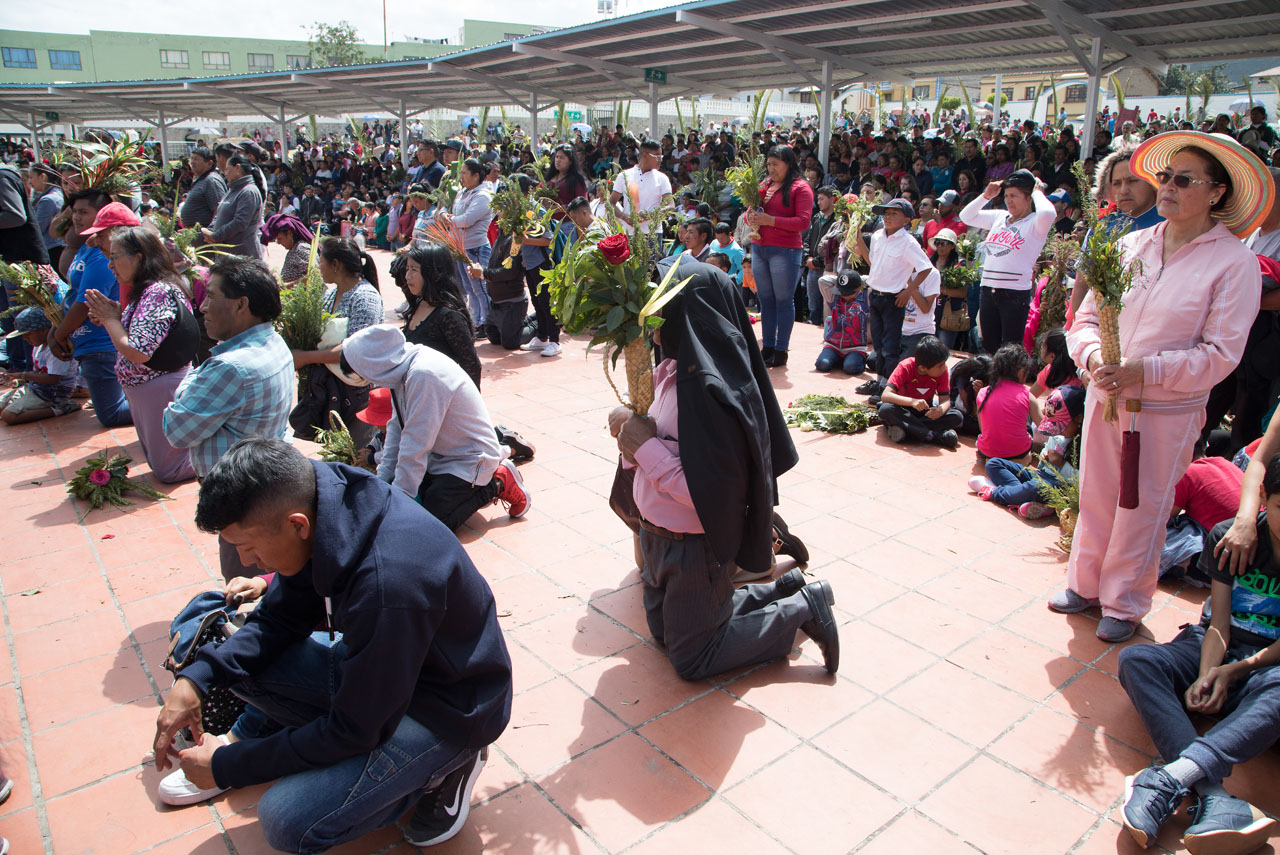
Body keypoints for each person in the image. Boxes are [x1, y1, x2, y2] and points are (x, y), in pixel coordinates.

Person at [151, 437, 513, 852]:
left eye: (248, 547)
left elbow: (355, 730)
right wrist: (198, 678)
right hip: (387, 673)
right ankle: (274, 740)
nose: (248, 561)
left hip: (448, 710)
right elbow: (279, 617)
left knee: (287, 821)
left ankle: (447, 767)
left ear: (296, 524)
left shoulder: (387, 585)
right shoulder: (323, 501)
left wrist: (227, 766)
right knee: (236, 649)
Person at [1052, 131, 1267, 643]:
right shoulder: (1129, 245)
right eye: (1165, 176)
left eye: (1184, 180)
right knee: (1097, 493)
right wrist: (1095, 359)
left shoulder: (1233, 263)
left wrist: (1142, 371)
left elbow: (1220, 355)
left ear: (1217, 192)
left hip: (1166, 412)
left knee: (1143, 506)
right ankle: (1084, 584)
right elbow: (1082, 319)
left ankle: (1124, 603)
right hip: (1107, 395)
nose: (1167, 187)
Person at [608, 256, 839, 677]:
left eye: (661, 307)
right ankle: (782, 589)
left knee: (693, 657)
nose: (651, 319)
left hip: (693, 544)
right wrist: (630, 436)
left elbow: (712, 493)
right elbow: (649, 449)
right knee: (664, 633)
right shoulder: (671, 371)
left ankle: (804, 606)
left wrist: (644, 448)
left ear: (690, 312)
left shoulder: (711, 393)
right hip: (659, 535)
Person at [1115, 453, 1280, 855]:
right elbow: (1218, 624)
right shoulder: (1231, 537)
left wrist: (1236, 672)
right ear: (1263, 497)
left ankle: (1168, 780)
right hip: (1215, 645)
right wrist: (1209, 673)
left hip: (1267, 666)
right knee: (1137, 661)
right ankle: (1211, 793)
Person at [161, 256, 293, 579]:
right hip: (263, 484)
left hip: (239, 499)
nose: (202, 306)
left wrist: (188, 385)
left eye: (211, 296)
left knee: (244, 583)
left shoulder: (230, 367)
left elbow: (175, 429)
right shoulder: (273, 342)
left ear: (241, 305)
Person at [340, 325, 530, 530]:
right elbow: (396, 427)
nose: (368, 381)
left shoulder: (424, 374)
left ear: (373, 365)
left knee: (432, 524)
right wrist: (384, 481)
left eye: (363, 375)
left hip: (471, 457)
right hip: (443, 455)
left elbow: (416, 442)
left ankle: (499, 481)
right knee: (414, 498)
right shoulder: (400, 370)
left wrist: (398, 502)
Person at [83, 226, 198, 483]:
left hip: (159, 386)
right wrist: (114, 316)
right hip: (146, 389)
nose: (109, 264)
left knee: (170, 470)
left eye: (114, 256)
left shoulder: (159, 292)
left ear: (139, 257)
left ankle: (223, 456)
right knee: (163, 464)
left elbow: (137, 352)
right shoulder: (146, 291)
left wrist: (111, 319)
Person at [50, 193, 135, 427]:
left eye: (83, 212)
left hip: (101, 343)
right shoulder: (88, 246)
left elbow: (86, 301)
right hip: (89, 342)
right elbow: (72, 292)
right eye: (74, 211)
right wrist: (55, 329)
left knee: (112, 414)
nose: (76, 217)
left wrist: (59, 335)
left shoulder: (101, 254)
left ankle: (168, 407)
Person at [290, 238, 384, 447]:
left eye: (320, 261)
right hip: (330, 388)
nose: (318, 267)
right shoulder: (331, 294)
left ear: (336, 265)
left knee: (353, 450)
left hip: (355, 391)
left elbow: (354, 350)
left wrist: (305, 358)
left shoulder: (365, 297)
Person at [959, 169, 1056, 352]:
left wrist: (1037, 191)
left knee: (1010, 349)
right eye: (1006, 195)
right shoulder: (1000, 217)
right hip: (988, 289)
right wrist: (985, 196)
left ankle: (1007, 381)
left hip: (1014, 293)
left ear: (1028, 199)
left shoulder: (1036, 222)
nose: (1008, 200)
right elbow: (966, 216)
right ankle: (989, 381)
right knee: (988, 346)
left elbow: (1048, 213)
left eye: (1014, 196)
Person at [1070, 144, 1165, 319]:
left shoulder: (1170, 224)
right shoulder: (1101, 227)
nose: (1123, 190)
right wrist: (1074, 324)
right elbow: (1082, 283)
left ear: (1153, 182)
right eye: (1117, 183)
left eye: (1132, 181)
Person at [852, 198, 934, 397]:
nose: (888, 217)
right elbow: (871, 260)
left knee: (891, 346)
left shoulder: (908, 242)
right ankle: (880, 381)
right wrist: (857, 236)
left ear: (906, 220)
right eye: (886, 213)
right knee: (878, 344)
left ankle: (888, 386)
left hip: (893, 299)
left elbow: (925, 268)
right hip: (876, 295)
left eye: (893, 214)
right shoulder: (879, 235)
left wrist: (909, 290)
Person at [744, 145, 814, 367]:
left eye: (776, 164)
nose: (771, 169)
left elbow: (803, 222)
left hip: (785, 250)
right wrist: (751, 217)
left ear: (789, 164)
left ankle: (782, 349)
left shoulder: (800, 188)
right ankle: (769, 347)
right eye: (769, 164)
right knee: (765, 299)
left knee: (783, 300)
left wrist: (769, 221)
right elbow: (751, 215)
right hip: (760, 247)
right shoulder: (766, 185)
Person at [970, 384, 1083, 520]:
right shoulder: (1059, 433)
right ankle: (1021, 498)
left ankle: (995, 493)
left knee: (1035, 487)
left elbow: (1083, 482)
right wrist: (1045, 456)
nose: (1057, 431)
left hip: (1062, 486)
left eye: (1061, 426)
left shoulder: (1086, 444)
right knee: (994, 463)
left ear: (1079, 418)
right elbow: (1045, 458)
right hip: (1043, 475)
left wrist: (1062, 464)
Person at [394, 245, 481, 387]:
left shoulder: (449, 317)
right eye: (407, 269)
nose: (407, 276)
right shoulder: (419, 303)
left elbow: (472, 366)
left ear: (435, 274)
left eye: (414, 270)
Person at [1160, 438, 1244, 585]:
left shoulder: (1187, 473)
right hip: (1251, 544)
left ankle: (1192, 568)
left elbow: (1162, 520)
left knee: (1172, 532)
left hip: (1228, 553)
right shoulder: (1222, 462)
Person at [436, 159, 494, 331]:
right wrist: (445, 215)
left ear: (476, 175)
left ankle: (487, 322)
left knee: (480, 287)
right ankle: (476, 321)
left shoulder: (483, 195)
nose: (461, 177)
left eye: (464, 173)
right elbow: (444, 210)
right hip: (460, 247)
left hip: (476, 247)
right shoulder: (462, 193)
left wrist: (450, 219)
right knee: (468, 288)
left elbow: (466, 220)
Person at [876, 335, 962, 449]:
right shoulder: (905, 367)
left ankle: (909, 430)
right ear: (922, 368)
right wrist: (912, 402)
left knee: (957, 416)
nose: (944, 368)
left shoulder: (942, 371)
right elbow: (885, 396)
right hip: (903, 410)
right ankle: (932, 435)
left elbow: (945, 400)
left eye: (943, 364)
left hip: (925, 413)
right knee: (885, 410)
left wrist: (940, 410)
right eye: (939, 366)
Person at [0, 307, 80, 424]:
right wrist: (17, 378)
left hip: (52, 395)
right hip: (36, 389)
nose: (25, 339)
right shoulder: (38, 347)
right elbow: (38, 373)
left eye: (28, 334)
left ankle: (60, 408)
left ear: (44, 330)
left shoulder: (56, 350)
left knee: (8, 416)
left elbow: (53, 379)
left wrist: (23, 375)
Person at [974, 343, 1041, 461]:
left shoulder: (983, 392)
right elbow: (1044, 427)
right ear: (1021, 373)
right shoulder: (1027, 395)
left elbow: (982, 428)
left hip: (988, 452)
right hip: (1019, 453)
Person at [610, 139, 673, 250]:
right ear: (645, 155)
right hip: (629, 233)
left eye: (661, 157)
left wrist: (649, 215)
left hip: (652, 234)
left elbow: (671, 206)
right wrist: (625, 217)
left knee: (651, 267)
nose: (660, 160)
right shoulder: (624, 175)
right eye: (657, 156)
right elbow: (610, 203)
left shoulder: (662, 178)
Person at [204, 154, 265, 261]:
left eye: (227, 169)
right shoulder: (231, 190)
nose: (225, 173)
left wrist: (216, 236)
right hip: (226, 255)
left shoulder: (249, 191)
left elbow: (240, 222)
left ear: (237, 167)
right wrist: (210, 231)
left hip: (242, 255)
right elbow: (218, 214)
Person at [814, 270, 869, 375]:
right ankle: (839, 359)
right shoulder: (833, 297)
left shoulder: (865, 298)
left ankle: (857, 359)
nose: (845, 295)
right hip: (833, 345)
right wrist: (841, 279)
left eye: (848, 292)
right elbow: (822, 281)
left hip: (855, 347)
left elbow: (875, 282)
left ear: (858, 289)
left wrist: (858, 280)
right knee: (822, 365)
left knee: (851, 368)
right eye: (842, 291)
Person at [179, 146, 226, 230]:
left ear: (209, 163)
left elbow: (219, 209)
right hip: (194, 234)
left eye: (196, 159)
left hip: (206, 235)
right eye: (192, 159)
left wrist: (211, 232)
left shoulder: (211, 181)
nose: (192, 162)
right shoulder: (201, 180)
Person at [259, 213, 313, 286]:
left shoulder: (301, 249)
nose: (279, 243)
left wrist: (286, 287)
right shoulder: (294, 249)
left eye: (280, 239)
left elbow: (314, 275)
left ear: (289, 233)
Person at [29, 163, 65, 271]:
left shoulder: (48, 200)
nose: (30, 182)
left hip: (52, 250)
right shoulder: (57, 193)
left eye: (31, 177)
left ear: (42, 176)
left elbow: (37, 228)